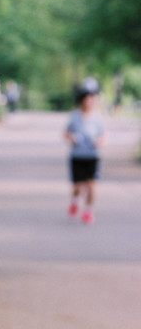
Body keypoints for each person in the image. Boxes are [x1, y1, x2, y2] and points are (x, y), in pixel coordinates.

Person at [65, 77, 106, 225]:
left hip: (92, 156)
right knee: (78, 186)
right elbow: (66, 133)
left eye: (92, 98)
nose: (89, 101)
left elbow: (104, 136)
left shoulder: (98, 118)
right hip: (77, 156)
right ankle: (75, 201)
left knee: (91, 185)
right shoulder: (74, 116)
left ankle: (88, 211)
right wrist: (72, 138)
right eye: (87, 98)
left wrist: (99, 142)